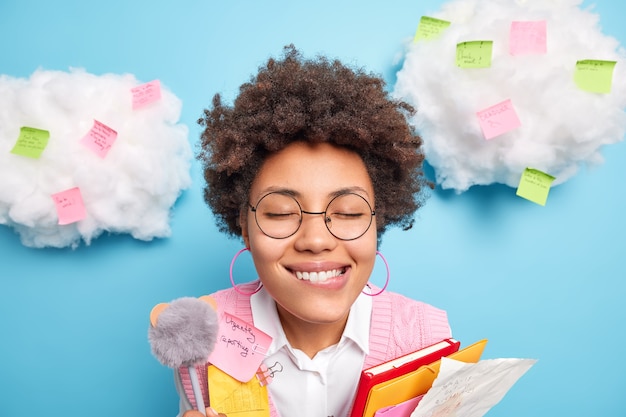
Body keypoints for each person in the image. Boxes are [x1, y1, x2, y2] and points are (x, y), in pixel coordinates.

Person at [176, 45, 452, 417]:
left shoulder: (427, 336)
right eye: (280, 212)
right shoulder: (198, 335)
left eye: (349, 211)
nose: (316, 240)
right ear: (245, 225)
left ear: (376, 219)